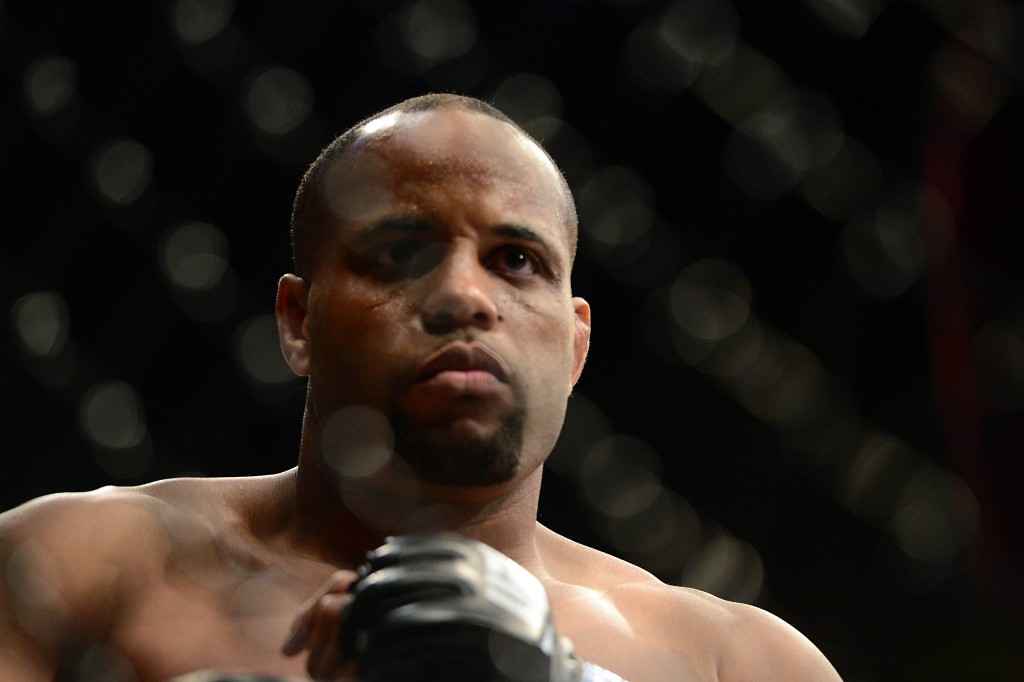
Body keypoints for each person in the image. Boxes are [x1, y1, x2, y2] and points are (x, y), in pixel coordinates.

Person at [0, 94, 843, 682]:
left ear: (576, 342)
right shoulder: (77, 570)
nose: (463, 298)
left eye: (517, 261)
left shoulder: (739, 665)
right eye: (401, 252)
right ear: (299, 321)